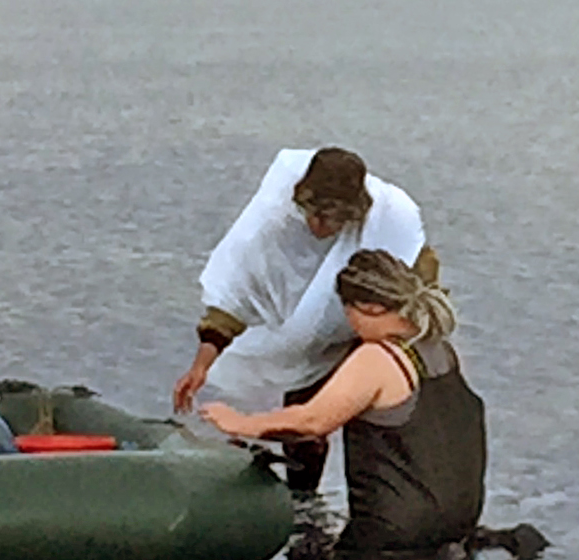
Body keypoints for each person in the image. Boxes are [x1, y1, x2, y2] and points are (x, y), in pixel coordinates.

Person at [171, 146, 433, 492]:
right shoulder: (277, 227)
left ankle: (385, 493)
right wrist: (201, 363)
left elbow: (425, 299)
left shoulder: (389, 230)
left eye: (331, 218)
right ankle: (305, 500)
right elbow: (237, 294)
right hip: (314, 338)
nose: (318, 225)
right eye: (311, 212)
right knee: (302, 420)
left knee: (371, 420)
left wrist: (389, 350)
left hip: (380, 336)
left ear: (354, 215)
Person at [202, 249, 487, 552]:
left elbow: (311, 423)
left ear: (369, 307)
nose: (350, 324)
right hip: (458, 524)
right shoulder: (442, 350)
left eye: (348, 311)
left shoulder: (378, 357)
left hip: (394, 532)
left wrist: (241, 423)